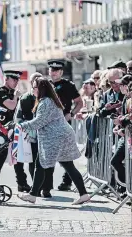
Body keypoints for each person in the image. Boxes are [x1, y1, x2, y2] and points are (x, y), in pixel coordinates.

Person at [17, 77, 90, 205]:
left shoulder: (45, 103)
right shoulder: (49, 100)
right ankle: (83, 193)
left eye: (35, 87)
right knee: (62, 165)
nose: (33, 89)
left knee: (44, 164)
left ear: (41, 89)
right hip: (60, 136)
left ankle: (33, 195)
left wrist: (21, 126)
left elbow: (39, 122)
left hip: (56, 138)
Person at [0, 70, 31, 192]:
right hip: (2, 128)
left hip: (14, 127)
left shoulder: (13, 92)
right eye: (14, 80)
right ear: (6, 79)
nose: (16, 82)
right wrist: (16, 96)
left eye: (17, 80)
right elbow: (12, 106)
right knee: (0, 157)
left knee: (18, 156)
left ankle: (22, 183)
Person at [14, 72, 52, 197]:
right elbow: (18, 117)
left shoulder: (48, 99)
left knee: (46, 163)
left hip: (45, 134)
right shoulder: (25, 98)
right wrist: (24, 128)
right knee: (34, 162)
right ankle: (40, 188)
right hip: (32, 136)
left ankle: (46, 188)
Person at [48, 59, 83, 192]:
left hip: (63, 123)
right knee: (48, 153)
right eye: (52, 70)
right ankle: (47, 184)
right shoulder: (45, 85)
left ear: (61, 72)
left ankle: (67, 181)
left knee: (65, 154)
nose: (54, 72)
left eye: (57, 70)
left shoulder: (68, 85)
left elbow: (80, 103)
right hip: (48, 124)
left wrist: (72, 114)